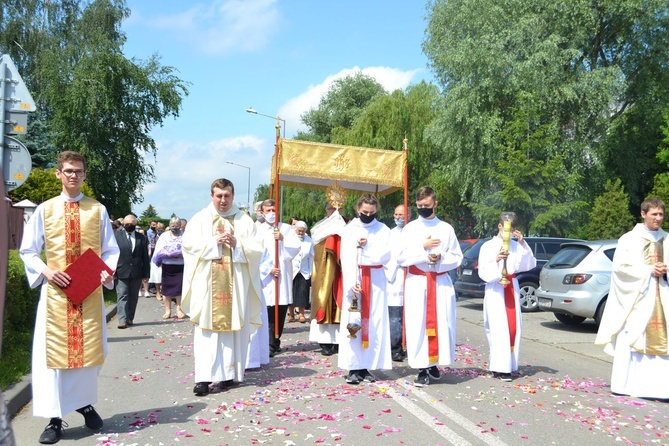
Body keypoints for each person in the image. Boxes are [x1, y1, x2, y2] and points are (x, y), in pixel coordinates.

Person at [19, 151, 119, 444]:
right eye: (68, 170)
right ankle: (54, 418)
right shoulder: (45, 210)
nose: (73, 175)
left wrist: (106, 273)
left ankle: (84, 403)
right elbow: (28, 250)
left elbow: (111, 250)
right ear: (58, 174)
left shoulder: (97, 210)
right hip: (55, 297)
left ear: (85, 175)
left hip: (88, 293)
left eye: (78, 171)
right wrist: (47, 272)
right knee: (53, 357)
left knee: (89, 352)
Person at [181, 178, 263, 396]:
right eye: (219, 196)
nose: (223, 200)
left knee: (233, 330)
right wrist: (212, 243)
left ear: (233, 196)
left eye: (227, 196)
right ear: (212, 196)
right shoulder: (200, 219)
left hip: (235, 286)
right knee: (207, 333)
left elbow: (257, 250)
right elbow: (187, 247)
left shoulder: (244, 221)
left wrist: (239, 246)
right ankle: (203, 378)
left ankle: (228, 374)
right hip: (207, 287)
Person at [595, 197, 669, 398]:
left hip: (662, 299)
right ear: (643, 214)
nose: (658, 218)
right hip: (638, 299)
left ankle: (660, 389)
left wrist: (665, 271)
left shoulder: (667, 239)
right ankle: (627, 386)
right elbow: (619, 269)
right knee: (633, 337)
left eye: (661, 214)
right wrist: (648, 270)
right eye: (654, 214)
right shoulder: (628, 239)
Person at [398, 186, 463, 387]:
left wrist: (441, 257)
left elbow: (457, 257)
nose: (423, 209)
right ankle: (421, 367)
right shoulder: (410, 229)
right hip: (418, 282)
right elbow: (401, 257)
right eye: (419, 206)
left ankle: (435, 362)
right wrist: (422, 249)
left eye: (426, 205)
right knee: (418, 324)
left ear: (435, 203)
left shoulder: (446, 228)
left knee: (443, 323)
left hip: (440, 281)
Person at [338, 194, 392, 384]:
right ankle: (353, 367)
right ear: (357, 209)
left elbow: (384, 255)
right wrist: (352, 279)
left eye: (372, 212)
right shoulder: (350, 229)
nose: (368, 215)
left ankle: (367, 366)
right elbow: (344, 256)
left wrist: (364, 250)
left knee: (374, 323)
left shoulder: (383, 229)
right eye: (364, 212)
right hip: (357, 280)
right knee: (354, 323)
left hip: (375, 281)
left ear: (376, 211)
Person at [478, 212, 536, 381]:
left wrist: (522, 243)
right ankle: (498, 366)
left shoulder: (517, 246)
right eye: (506, 228)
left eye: (513, 229)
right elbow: (483, 271)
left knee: (512, 328)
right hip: (495, 289)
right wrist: (496, 260)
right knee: (497, 328)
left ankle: (509, 366)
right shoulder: (488, 246)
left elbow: (529, 264)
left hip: (511, 287)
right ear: (500, 226)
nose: (509, 232)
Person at [256, 199, 300, 358]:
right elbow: (254, 253)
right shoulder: (257, 230)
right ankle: (267, 344)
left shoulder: (286, 229)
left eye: (274, 210)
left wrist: (283, 239)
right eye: (268, 210)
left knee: (279, 309)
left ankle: (275, 339)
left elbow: (295, 249)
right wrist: (267, 269)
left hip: (281, 275)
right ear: (262, 212)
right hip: (265, 276)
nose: (271, 213)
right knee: (266, 309)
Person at [309, 202, 347, 356]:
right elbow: (316, 243)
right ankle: (324, 342)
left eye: (338, 209)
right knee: (323, 301)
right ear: (326, 210)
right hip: (324, 271)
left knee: (340, 304)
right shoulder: (320, 226)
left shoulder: (348, 225)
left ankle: (339, 341)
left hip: (340, 271)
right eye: (331, 209)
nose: (335, 212)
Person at [114, 214, 151, 328]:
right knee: (122, 295)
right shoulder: (116, 236)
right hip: (121, 271)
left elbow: (145, 257)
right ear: (123, 224)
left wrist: (146, 274)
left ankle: (130, 318)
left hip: (136, 271)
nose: (129, 225)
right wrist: (113, 272)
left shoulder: (142, 238)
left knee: (133, 296)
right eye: (126, 224)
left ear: (135, 224)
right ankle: (122, 319)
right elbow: (113, 255)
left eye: (131, 224)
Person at [386, 204, 411, 362]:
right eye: (396, 215)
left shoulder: (414, 232)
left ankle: (410, 345)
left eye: (402, 215)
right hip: (394, 277)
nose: (398, 218)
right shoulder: (390, 234)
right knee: (395, 316)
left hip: (411, 277)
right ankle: (395, 348)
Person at [153, 217, 186, 319]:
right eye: (173, 226)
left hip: (180, 265)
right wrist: (168, 253)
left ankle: (179, 309)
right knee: (166, 289)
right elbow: (159, 248)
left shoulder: (185, 235)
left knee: (179, 289)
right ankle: (167, 310)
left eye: (177, 226)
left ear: (180, 226)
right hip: (167, 265)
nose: (175, 228)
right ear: (170, 225)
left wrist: (179, 253)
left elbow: (189, 248)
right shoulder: (164, 235)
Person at [292, 221, 314, 323]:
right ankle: (291, 314)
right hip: (292, 270)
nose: (301, 233)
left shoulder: (309, 240)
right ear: (295, 230)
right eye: (299, 231)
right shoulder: (290, 238)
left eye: (303, 231)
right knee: (291, 292)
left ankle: (301, 314)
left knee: (302, 292)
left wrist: (311, 271)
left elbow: (311, 257)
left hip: (304, 270)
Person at [149, 222, 165, 301]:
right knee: (157, 276)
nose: (160, 231)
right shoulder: (154, 237)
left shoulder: (166, 237)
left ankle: (163, 292)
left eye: (161, 229)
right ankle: (158, 292)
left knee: (163, 276)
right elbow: (152, 248)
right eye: (158, 229)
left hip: (164, 258)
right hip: (156, 258)